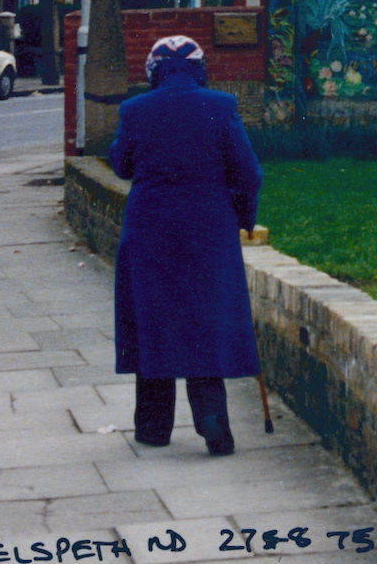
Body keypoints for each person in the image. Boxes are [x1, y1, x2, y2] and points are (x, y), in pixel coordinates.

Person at [109, 35, 263, 456]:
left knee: (151, 319)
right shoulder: (221, 106)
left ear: (153, 71)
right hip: (207, 229)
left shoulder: (134, 110)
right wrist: (242, 218)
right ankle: (213, 423)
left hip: (149, 229)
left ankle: (153, 428)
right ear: (199, 69)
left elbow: (120, 164)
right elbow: (248, 174)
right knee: (202, 320)